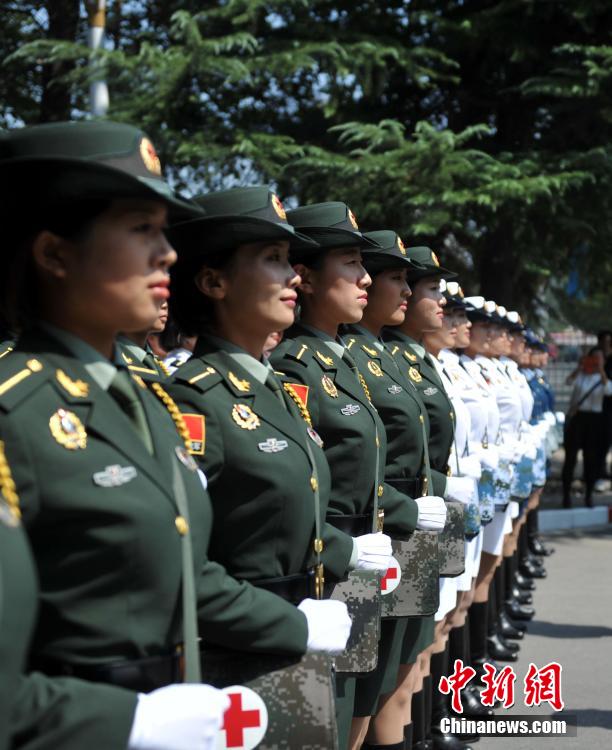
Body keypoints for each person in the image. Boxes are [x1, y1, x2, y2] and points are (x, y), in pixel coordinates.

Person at [0, 120, 234, 750]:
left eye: (164, 230)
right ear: (54, 254)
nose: (169, 254)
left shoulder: (144, 398)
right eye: (140, 229)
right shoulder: (12, 414)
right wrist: (130, 721)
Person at [165, 187, 354, 745]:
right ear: (213, 282)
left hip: (298, 639)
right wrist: (291, 623)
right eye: (271, 259)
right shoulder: (195, 399)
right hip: (239, 664)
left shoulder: (273, 389)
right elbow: (184, 566)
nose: (293, 275)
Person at [270, 203, 430, 749]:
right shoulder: (296, 363)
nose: (364, 279)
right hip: (334, 555)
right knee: (338, 715)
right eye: (351, 263)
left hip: (371, 544)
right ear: (307, 277)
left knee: (372, 692)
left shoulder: (345, 356)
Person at [341, 231, 447, 750]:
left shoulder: (385, 353)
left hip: (411, 524)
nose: (405, 291)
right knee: (367, 689)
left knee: (404, 663)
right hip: (380, 531)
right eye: (397, 278)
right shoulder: (346, 355)